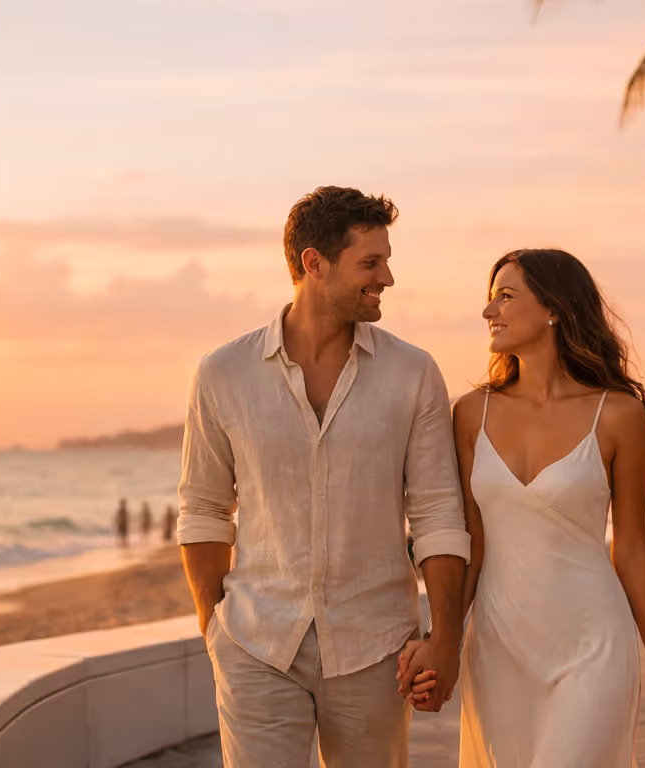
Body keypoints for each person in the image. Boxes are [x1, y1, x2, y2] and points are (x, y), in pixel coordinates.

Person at [177, 186, 472, 767]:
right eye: (371, 262)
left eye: (386, 261)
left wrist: (445, 639)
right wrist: (215, 629)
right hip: (256, 643)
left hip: (377, 648)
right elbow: (204, 510)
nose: (386, 277)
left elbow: (438, 514)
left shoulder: (412, 373)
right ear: (314, 264)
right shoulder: (223, 374)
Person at [402, 248, 645, 764]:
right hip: (498, 646)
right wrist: (441, 640)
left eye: (506, 297)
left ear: (555, 307)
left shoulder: (619, 414)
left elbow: (633, 551)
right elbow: (471, 546)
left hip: (591, 642)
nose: (490, 312)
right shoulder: (470, 414)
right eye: (490, 300)